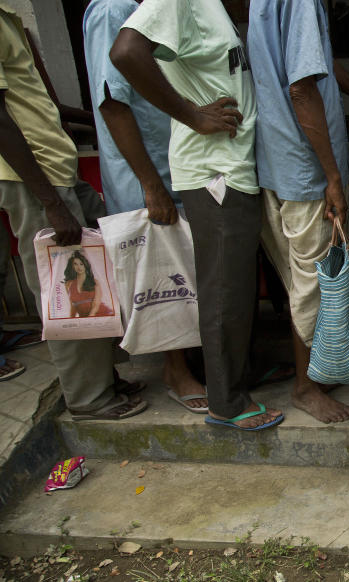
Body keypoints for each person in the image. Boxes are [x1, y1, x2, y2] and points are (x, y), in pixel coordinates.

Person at [111, 0, 283, 430]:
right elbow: (126, 52)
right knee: (225, 291)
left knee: (236, 290)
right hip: (213, 173)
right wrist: (192, 116)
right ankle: (226, 404)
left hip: (232, 168)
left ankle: (234, 386)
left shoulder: (212, 8)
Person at [0, 2, 146, 417]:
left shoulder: (9, 15)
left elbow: (37, 103)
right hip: (33, 177)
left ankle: (104, 379)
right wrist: (50, 203)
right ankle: (88, 398)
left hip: (55, 165)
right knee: (67, 292)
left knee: (96, 281)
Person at [82, 0, 209, 414]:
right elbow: (112, 102)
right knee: (161, 275)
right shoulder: (113, 10)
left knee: (182, 268)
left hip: (167, 162)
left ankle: (189, 361)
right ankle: (175, 370)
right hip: (145, 171)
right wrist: (149, 183)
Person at [246, 0, 349, 423]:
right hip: (303, 169)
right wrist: (332, 176)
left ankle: (313, 375)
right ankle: (306, 385)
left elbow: (318, 69)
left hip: (277, 161)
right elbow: (301, 87)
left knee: (300, 281)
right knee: (311, 285)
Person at [63, 250, 114, 318]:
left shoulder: (94, 282)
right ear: (72, 266)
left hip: (102, 315)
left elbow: (96, 305)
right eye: (75, 264)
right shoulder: (69, 284)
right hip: (85, 320)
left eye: (81, 264)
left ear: (85, 265)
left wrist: (89, 319)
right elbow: (73, 306)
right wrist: (70, 320)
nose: (79, 267)